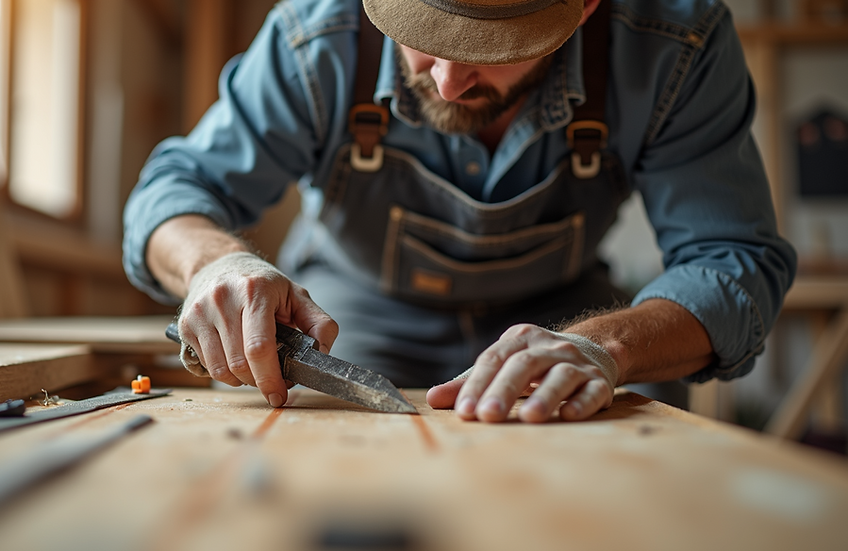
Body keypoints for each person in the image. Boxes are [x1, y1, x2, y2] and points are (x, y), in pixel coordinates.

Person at [123, 0, 796, 423]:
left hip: (564, 315)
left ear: (584, 8)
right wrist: (215, 263)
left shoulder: (675, 44)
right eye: (422, 31)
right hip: (353, 317)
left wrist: (607, 348)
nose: (445, 82)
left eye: (490, 47)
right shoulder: (316, 39)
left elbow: (731, 259)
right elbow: (174, 189)